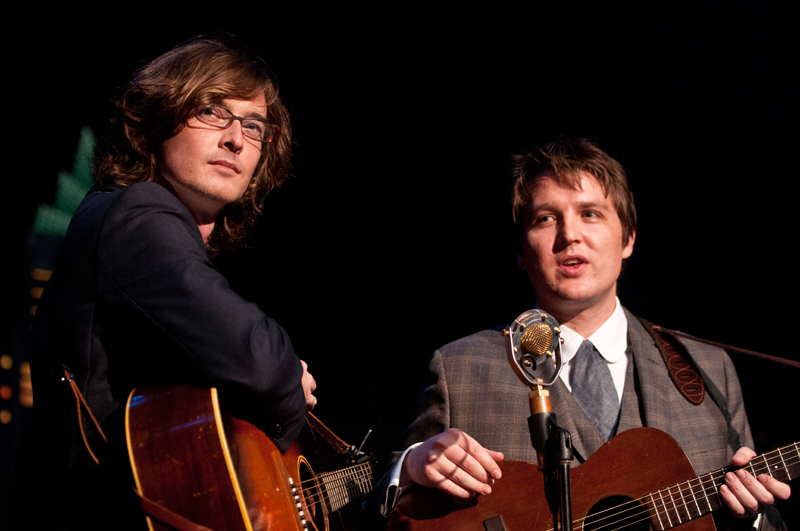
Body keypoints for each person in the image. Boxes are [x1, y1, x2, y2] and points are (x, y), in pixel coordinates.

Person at [365, 138, 790, 530]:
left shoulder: (709, 368)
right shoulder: (459, 368)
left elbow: (768, 519)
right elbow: (377, 505)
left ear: (628, 238)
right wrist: (410, 467)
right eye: (546, 218)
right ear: (520, 251)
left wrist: (750, 519)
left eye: (590, 214)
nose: (570, 235)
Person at [10, 34, 317, 530]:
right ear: (156, 120)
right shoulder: (139, 212)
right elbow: (259, 360)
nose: (236, 138)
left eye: (254, 125)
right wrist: (289, 381)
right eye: (213, 111)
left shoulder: (135, 219)